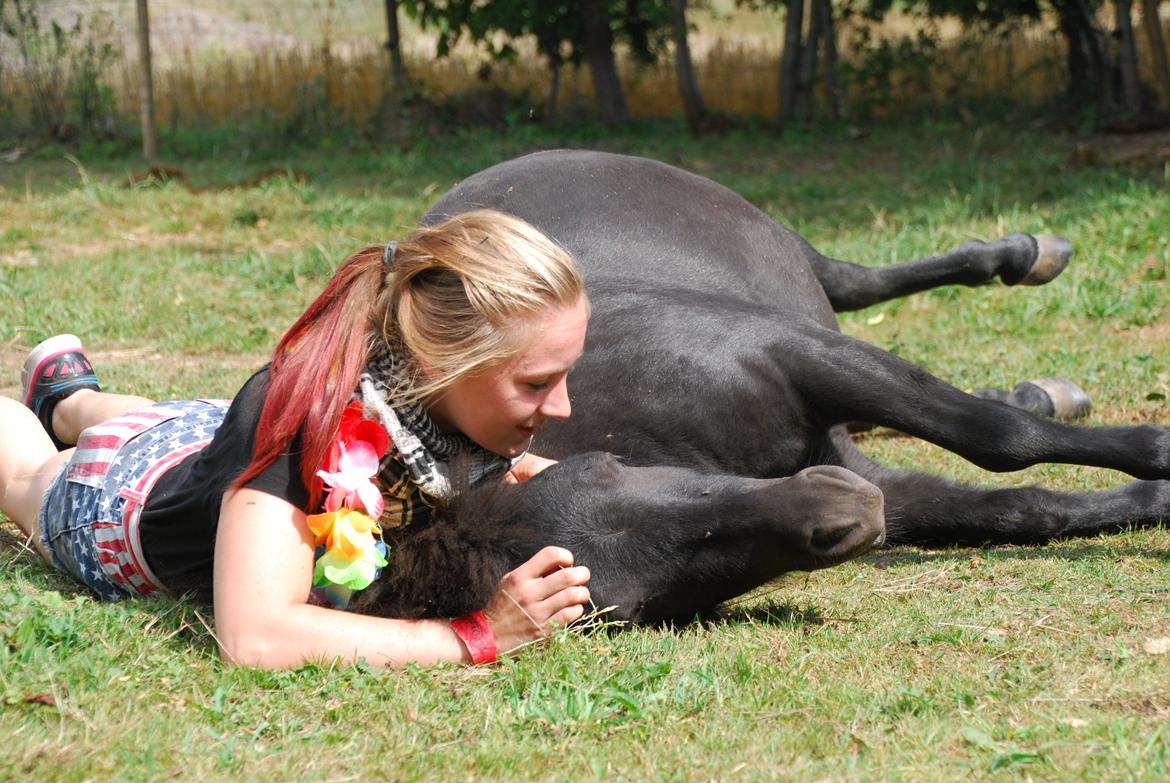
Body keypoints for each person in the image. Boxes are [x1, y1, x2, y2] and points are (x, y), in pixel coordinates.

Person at [0, 209, 593, 669]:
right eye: (537, 382)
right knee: (29, 473)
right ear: (443, 365)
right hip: (117, 500)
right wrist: (476, 636)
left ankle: (68, 398)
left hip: (208, 433)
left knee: (178, 424)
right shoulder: (302, 414)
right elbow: (255, 635)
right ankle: (56, 416)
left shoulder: (434, 396)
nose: (563, 407)